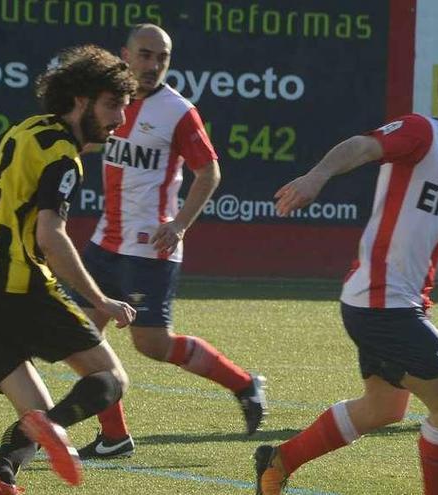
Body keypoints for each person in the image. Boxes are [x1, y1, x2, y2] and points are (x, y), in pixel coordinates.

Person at [253, 57, 438, 495]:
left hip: (389, 302)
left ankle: (279, 462)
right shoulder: (422, 131)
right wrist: (317, 176)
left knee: (382, 408)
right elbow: (363, 144)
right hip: (383, 301)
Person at [71, 24, 265, 458]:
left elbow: (209, 172)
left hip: (150, 248)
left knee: (152, 345)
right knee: (83, 335)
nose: (152, 64)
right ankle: (114, 436)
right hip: (106, 242)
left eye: (162, 57)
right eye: (144, 54)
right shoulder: (111, 103)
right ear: (125, 54)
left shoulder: (177, 111)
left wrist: (179, 224)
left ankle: (244, 383)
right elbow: (81, 142)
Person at [0, 45, 138, 495]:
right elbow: (50, 238)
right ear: (80, 101)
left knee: (33, 409)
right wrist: (101, 301)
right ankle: (52, 428)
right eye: (112, 105)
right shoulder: (63, 158)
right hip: (18, 284)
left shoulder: (25, 132)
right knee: (109, 381)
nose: (119, 120)